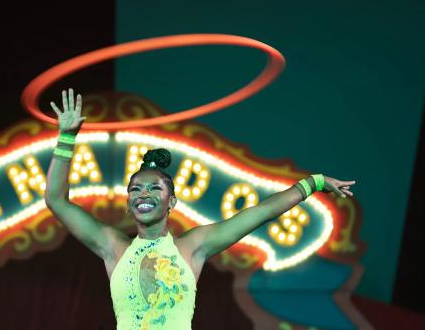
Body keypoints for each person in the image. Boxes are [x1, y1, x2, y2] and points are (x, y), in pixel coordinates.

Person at [45, 88, 355, 330]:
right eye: (135, 189)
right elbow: (56, 201)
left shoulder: (193, 247)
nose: (144, 193)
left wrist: (313, 183)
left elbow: (263, 211)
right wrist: (67, 138)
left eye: (155, 188)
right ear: (128, 204)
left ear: (172, 202)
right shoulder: (113, 247)